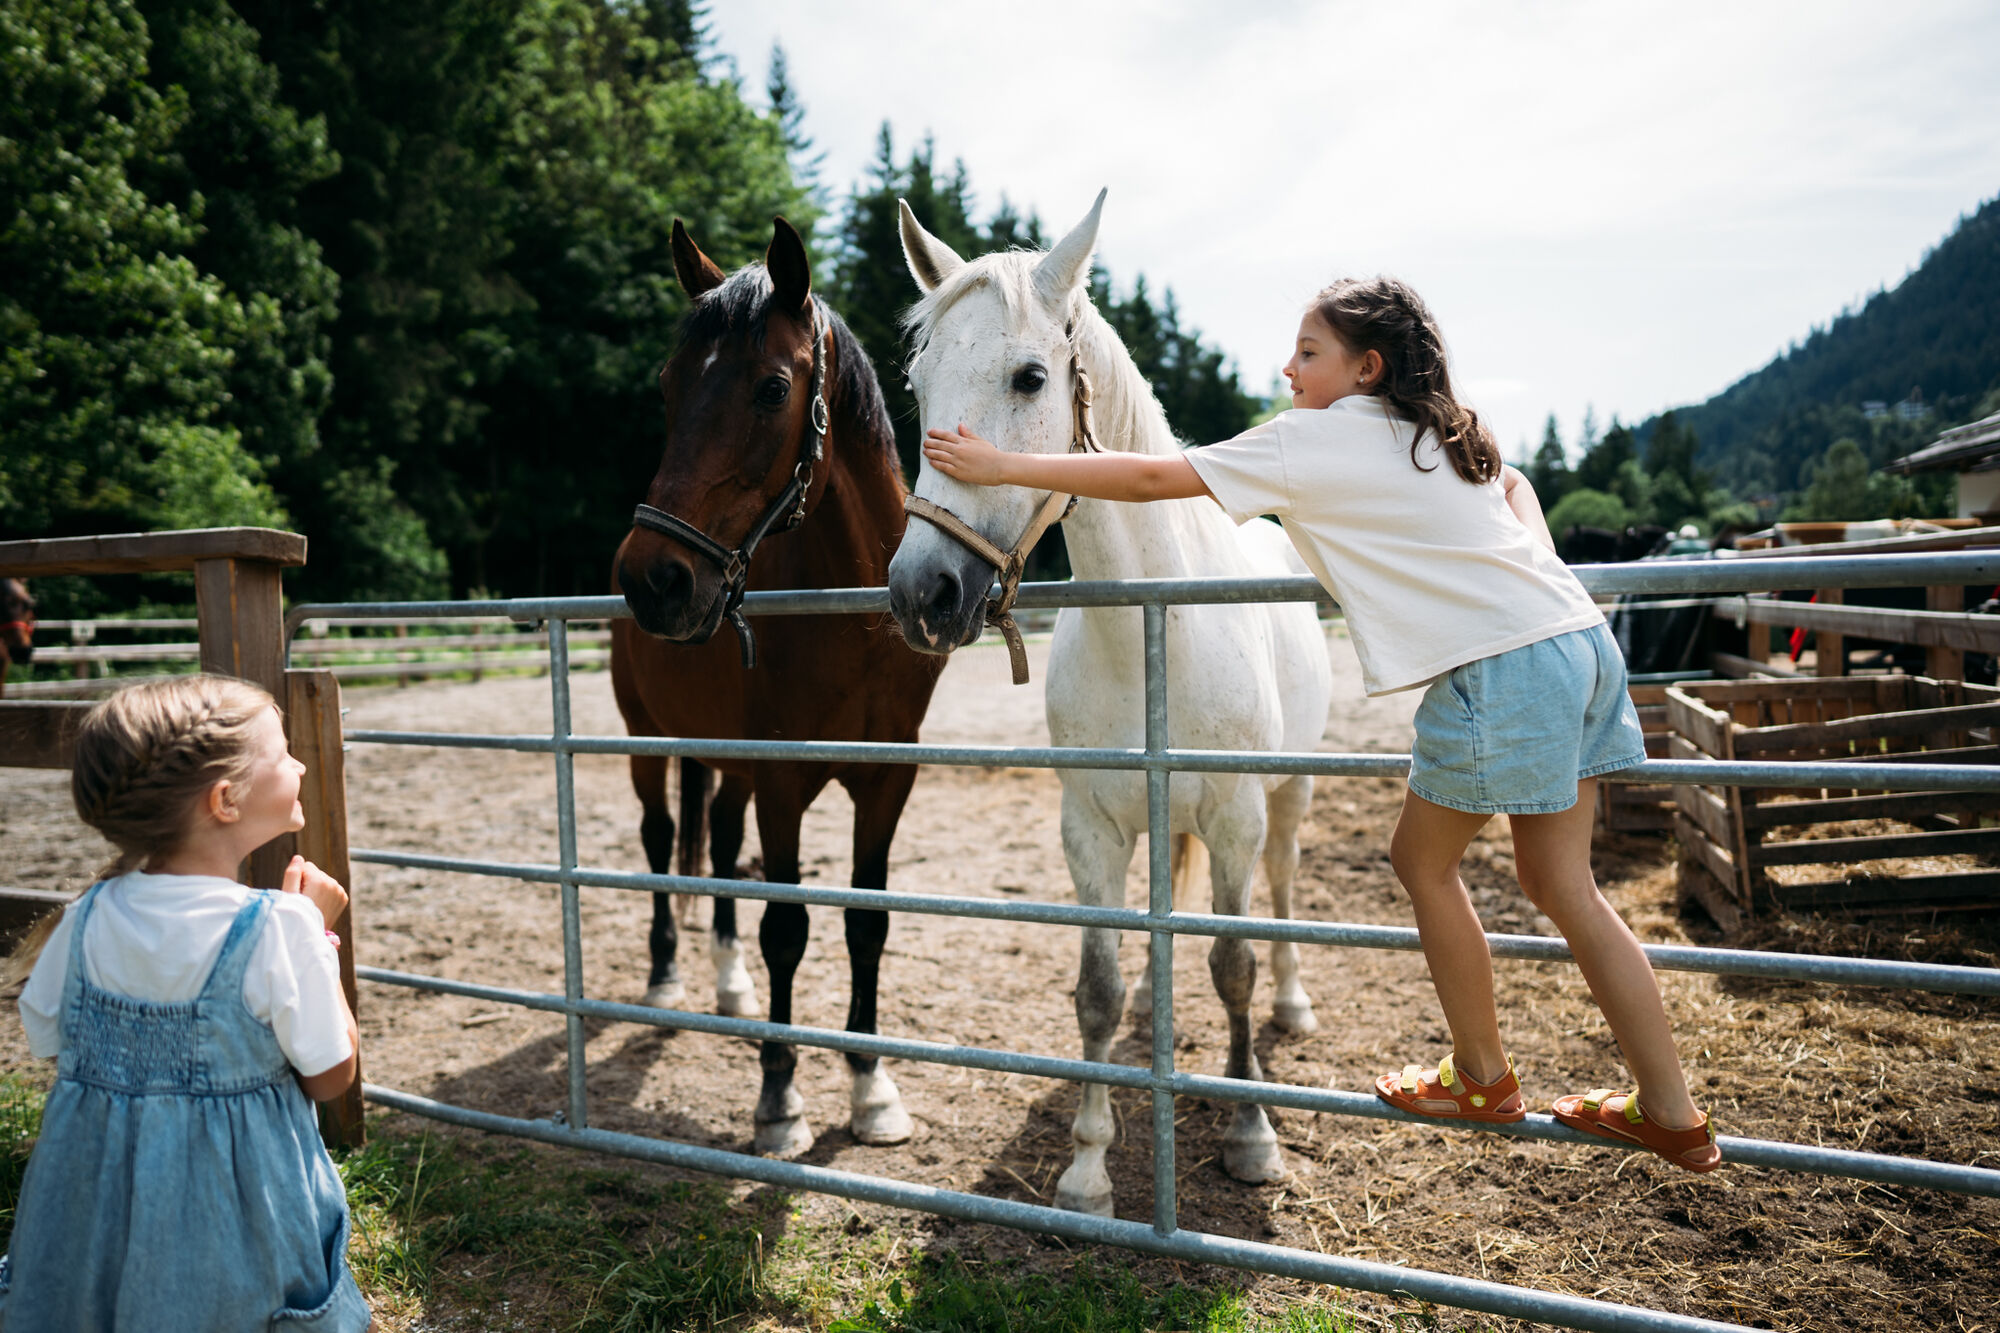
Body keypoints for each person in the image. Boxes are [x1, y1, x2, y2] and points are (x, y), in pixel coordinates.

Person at [920, 275, 1719, 1174]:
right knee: (1565, 887)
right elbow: (1517, 485)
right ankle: (1671, 1110)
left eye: (1309, 352)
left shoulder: (1311, 440)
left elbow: (1149, 475)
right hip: (1580, 642)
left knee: (1422, 862)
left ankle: (1483, 1076)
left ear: (1365, 368)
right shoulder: (1441, 433)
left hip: (1501, 670)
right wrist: (1535, 566)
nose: (1288, 368)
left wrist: (1004, 466)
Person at [0, 674, 373, 1329]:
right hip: (239, 1221)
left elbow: (55, 1043)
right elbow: (330, 1075)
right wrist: (317, 938)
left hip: (90, 1217)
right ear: (225, 799)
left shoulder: (83, 919)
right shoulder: (277, 927)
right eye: (283, 753)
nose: (299, 765)